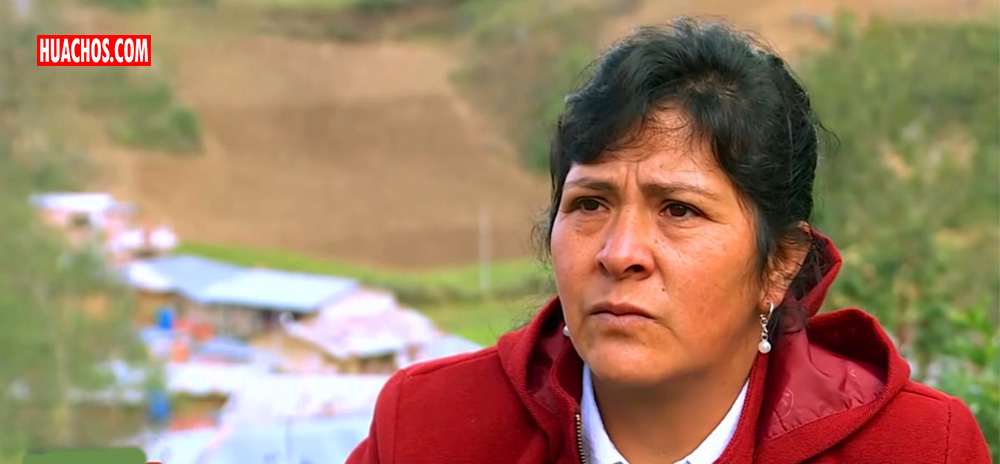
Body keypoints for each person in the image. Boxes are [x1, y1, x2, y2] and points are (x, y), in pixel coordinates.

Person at [347, 18, 991, 464]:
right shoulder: (429, 428)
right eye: (590, 204)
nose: (620, 252)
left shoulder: (916, 447)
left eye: (679, 210)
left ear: (779, 264)